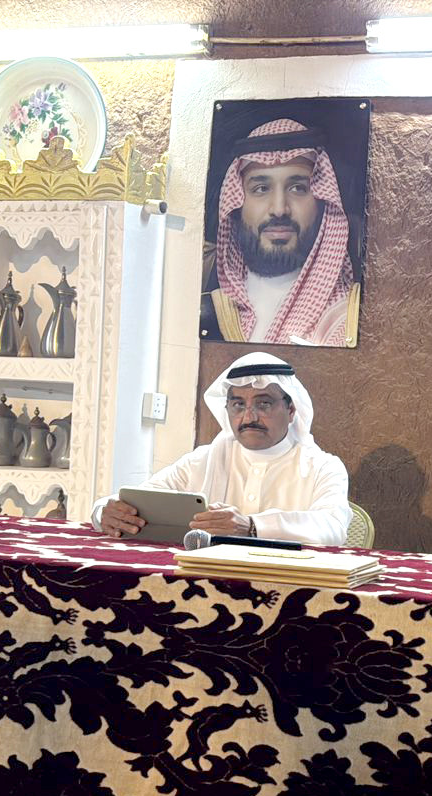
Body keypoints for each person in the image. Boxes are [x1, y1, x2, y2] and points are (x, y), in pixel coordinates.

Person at [91, 352, 351, 544]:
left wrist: (251, 527)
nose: (249, 417)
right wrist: (105, 511)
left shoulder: (323, 467)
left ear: (291, 410)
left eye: (263, 404)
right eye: (238, 405)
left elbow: (333, 527)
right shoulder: (203, 460)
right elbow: (140, 498)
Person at [202, 118, 360, 346]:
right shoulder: (209, 313)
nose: (279, 209)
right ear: (236, 204)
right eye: (261, 189)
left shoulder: (347, 321)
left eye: (297, 188)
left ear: (322, 202)